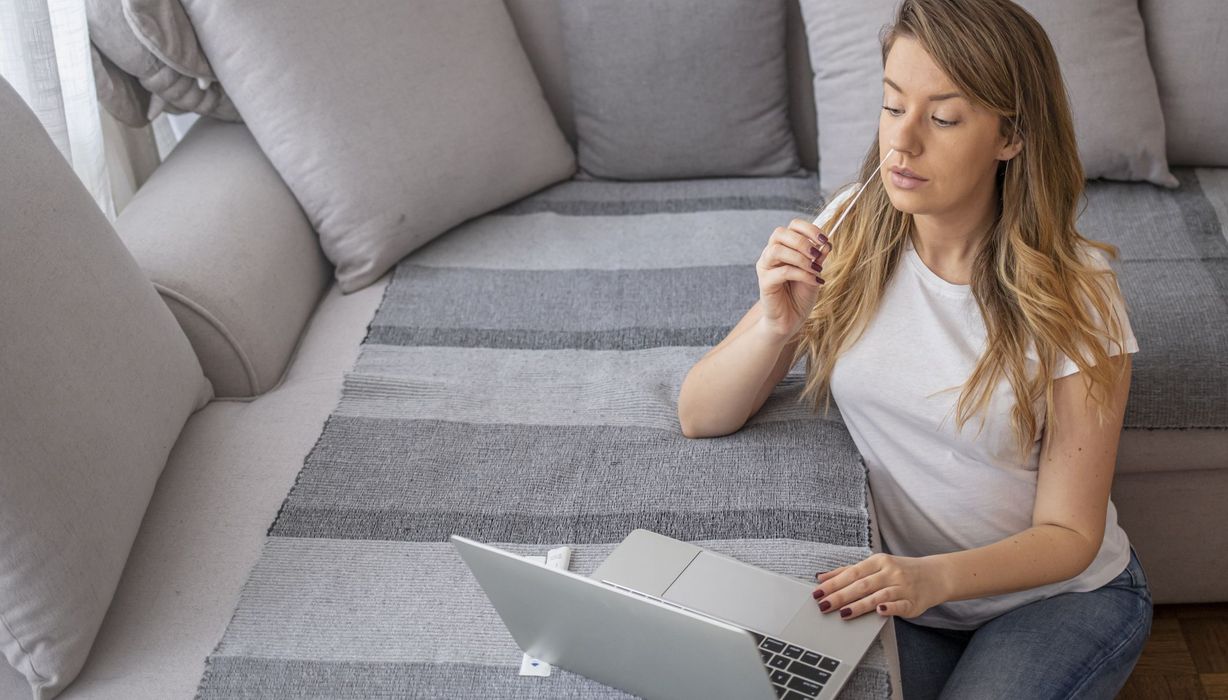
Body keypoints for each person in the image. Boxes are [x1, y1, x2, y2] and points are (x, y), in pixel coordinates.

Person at [676, 0, 1153, 696]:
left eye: (943, 117)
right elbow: (699, 414)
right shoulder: (850, 230)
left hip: (1058, 598)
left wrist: (932, 578)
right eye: (892, 105)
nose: (901, 144)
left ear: (1011, 136)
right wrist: (777, 327)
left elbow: (1070, 533)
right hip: (910, 602)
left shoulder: (1078, 294)